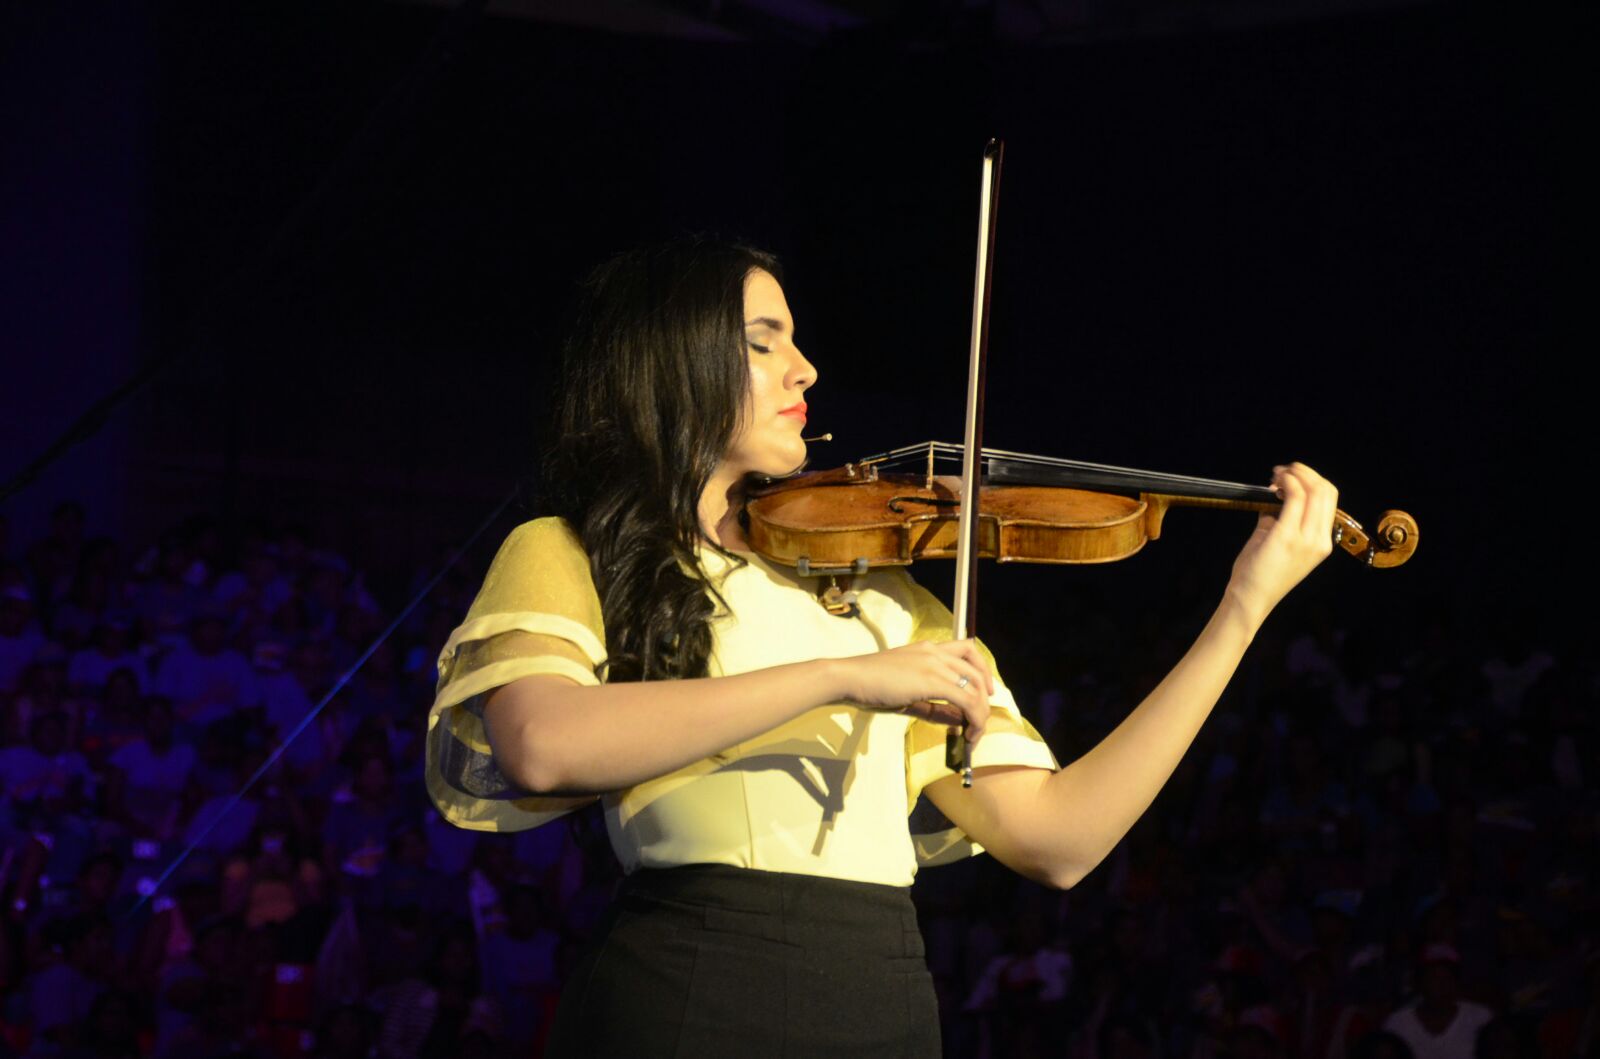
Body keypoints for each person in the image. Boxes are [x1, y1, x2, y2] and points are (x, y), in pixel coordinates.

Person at [423, 237, 1339, 1056]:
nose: (806, 368)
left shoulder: (886, 601)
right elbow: (541, 743)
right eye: (764, 342)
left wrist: (1243, 609)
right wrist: (840, 677)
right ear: (671, 361)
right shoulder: (570, 551)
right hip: (688, 982)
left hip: (880, 995)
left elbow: (1060, 840)